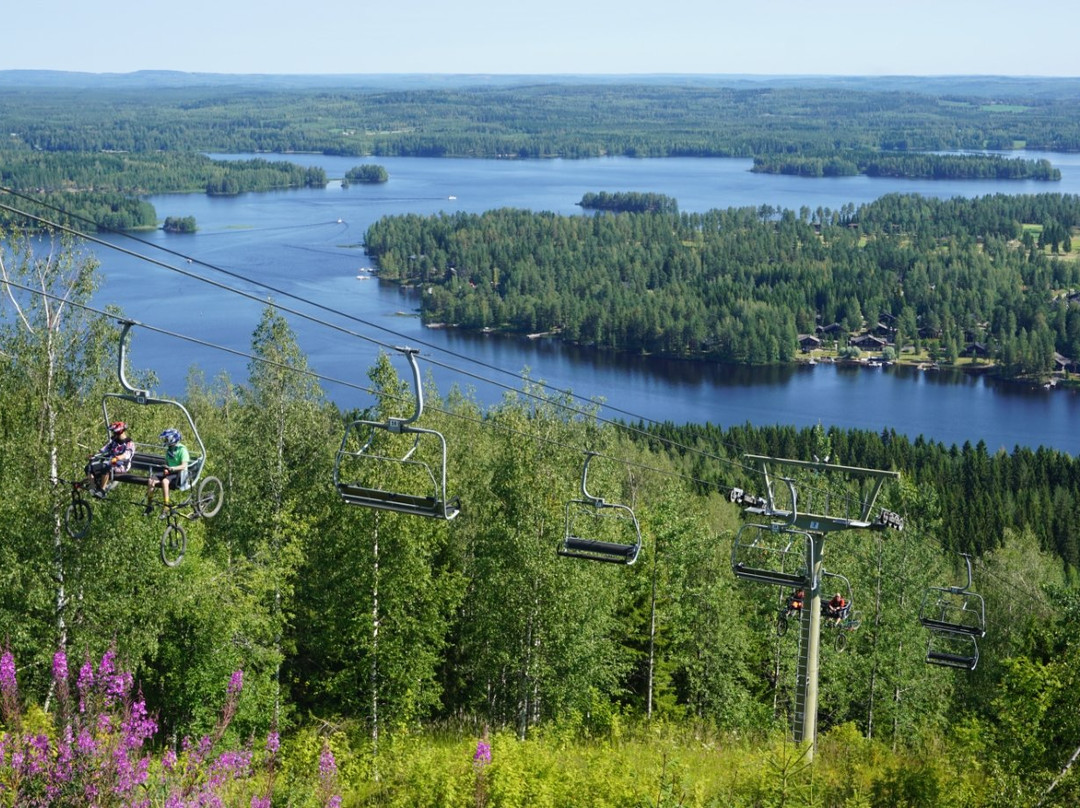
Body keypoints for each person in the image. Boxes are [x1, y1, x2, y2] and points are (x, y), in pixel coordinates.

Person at [145, 428, 189, 515]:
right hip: (170, 472)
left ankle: (166, 506)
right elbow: (168, 463)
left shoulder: (182, 450)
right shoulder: (169, 450)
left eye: (166, 439)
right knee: (151, 480)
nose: (165, 441)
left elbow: (184, 466)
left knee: (165, 482)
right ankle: (149, 504)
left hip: (180, 473)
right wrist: (167, 469)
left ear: (172, 439)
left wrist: (172, 469)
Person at [85, 421, 135, 498]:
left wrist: (117, 458)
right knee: (89, 467)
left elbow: (127, 455)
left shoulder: (129, 443)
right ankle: (93, 487)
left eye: (115, 433)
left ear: (119, 432)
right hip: (110, 462)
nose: (113, 434)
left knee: (106, 466)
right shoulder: (114, 441)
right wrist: (94, 456)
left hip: (121, 465)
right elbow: (105, 449)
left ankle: (102, 490)